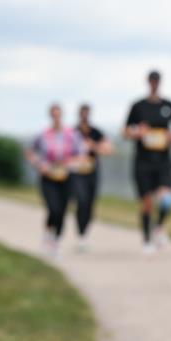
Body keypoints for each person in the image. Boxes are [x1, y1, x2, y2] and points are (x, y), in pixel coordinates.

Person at [123, 71, 171, 254]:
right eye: (152, 81)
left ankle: (159, 226)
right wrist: (136, 133)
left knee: (167, 199)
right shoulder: (138, 106)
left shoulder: (169, 105)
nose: (154, 84)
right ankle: (147, 239)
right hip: (143, 161)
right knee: (147, 202)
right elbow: (125, 131)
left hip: (164, 160)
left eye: (157, 81)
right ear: (148, 82)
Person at [26, 104, 87, 257]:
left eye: (58, 115)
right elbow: (31, 153)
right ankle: (48, 234)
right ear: (50, 116)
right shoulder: (43, 135)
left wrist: (73, 162)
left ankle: (56, 241)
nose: (56, 118)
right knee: (53, 208)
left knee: (63, 210)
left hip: (67, 176)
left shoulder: (72, 135)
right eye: (54, 115)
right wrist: (40, 165)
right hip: (48, 176)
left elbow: (82, 154)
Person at [71, 103, 113, 251]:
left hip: (92, 172)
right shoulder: (72, 132)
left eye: (87, 114)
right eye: (83, 114)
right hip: (77, 173)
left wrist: (93, 146)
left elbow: (109, 149)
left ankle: (84, 234)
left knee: (89, 204)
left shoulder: (96, 132)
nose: (85, 117)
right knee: (81, 201)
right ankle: (80, 233)